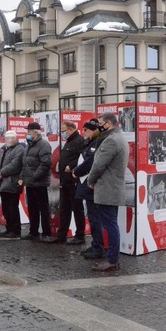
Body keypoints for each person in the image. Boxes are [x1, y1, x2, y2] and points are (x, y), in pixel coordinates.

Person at [87, 112, 129, 272]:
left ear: (109, 123)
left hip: (107, 188)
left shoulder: (111, 140)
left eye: (100, 123)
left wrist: (90, 180)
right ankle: (112, 258)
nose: (99, 126)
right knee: (111, 223)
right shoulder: (120, 138)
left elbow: (98, 164)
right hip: (113, 188)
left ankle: (112, 260)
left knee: (110, 224)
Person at [73, 119, 106, 260]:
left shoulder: (96, 143)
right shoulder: (89, 143)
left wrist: (76, 171)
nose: (83, 132)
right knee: (92, 217)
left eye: (86, 130)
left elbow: (90, 162)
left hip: (91, 185)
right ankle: (95, 244)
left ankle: (98, 247)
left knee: (95, 218)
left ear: (93, 130)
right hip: (85, 184)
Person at [51, 120, 87, 244]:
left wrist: (71, 166)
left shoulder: (80, 141)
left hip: (74, 181)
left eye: (63, 131)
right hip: (65, 182)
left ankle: (80, 236)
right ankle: (61, 235)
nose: (62, 134)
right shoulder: (68, 142)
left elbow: (83, 158)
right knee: (64, 209)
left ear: (71, 129)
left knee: (77, 209)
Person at [20, 122, 52, 241]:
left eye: (28, 131)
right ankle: (33, 232)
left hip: (39, 182)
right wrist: (23, 177)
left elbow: (46, 163)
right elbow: (25, 163)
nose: (27, 133)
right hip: (30, 182)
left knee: (43, 208)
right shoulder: (29, 145)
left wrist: (34, 176)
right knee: (32, 208)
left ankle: (46, 233)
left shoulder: (43, 145)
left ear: (35, 132)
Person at [0, 131, 25, 239]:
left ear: (16, 138)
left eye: (11, 138)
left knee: (12, 208)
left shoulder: (19, 149)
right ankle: (9, 228)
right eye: (6, 138)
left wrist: (1, 172)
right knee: (6, 208)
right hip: (2, 183)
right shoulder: (4, 150)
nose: (8, 140)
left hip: (12, 182)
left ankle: (15, 230)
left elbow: (15, 164)